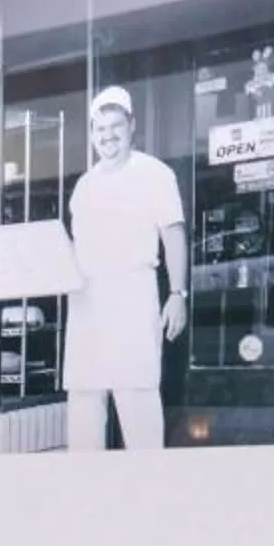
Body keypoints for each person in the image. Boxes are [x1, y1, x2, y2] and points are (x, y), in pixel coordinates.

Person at [62, 85, 187, 451]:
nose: (108, 136)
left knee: (137, 398)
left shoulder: (155, 173)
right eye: (100, 129)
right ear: (92, 133)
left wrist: (178, 293)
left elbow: (173, 235)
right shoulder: (84, 186)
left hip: (133, 295)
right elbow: (75, 249)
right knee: (84, 402)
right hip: (86, 301)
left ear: (131, 126)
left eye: (116, 126)